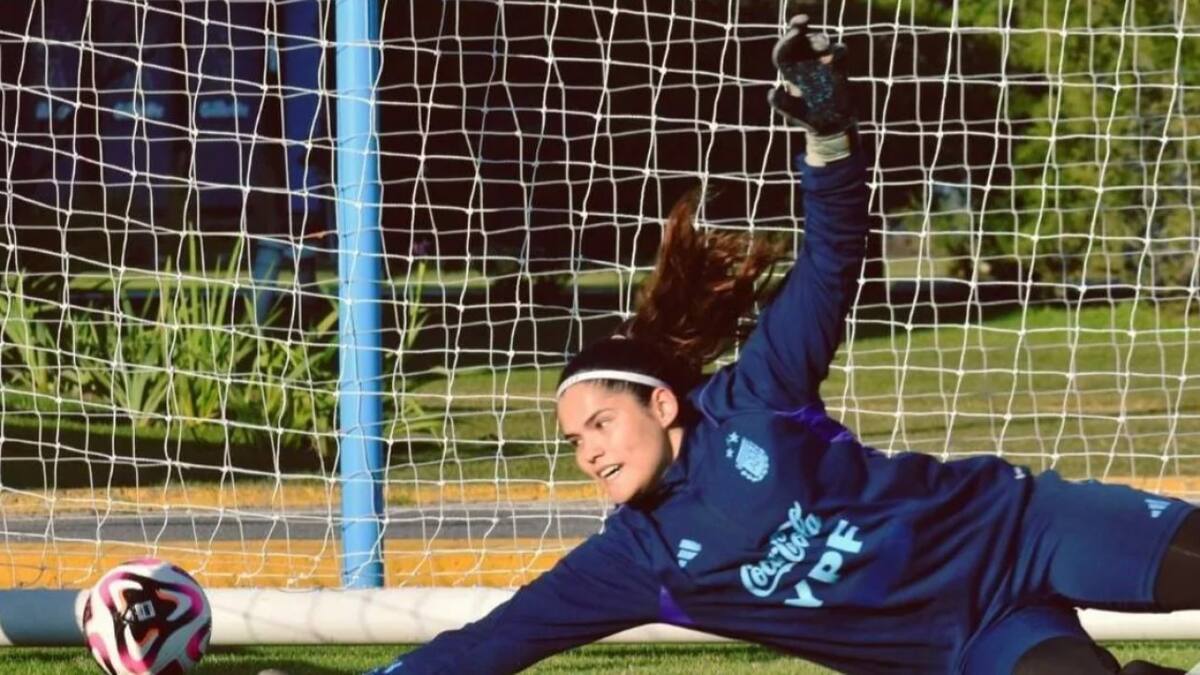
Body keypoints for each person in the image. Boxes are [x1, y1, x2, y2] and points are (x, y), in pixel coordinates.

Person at [366, 16, 1200, 675]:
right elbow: (486, 646)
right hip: (978, 641)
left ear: (660, 403)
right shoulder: (636, 561)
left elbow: (834, 262)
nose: (587, 451)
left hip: (1024, 527)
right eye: (574, 440)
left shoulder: (758, 396)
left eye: (599, 423)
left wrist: (828, 140)